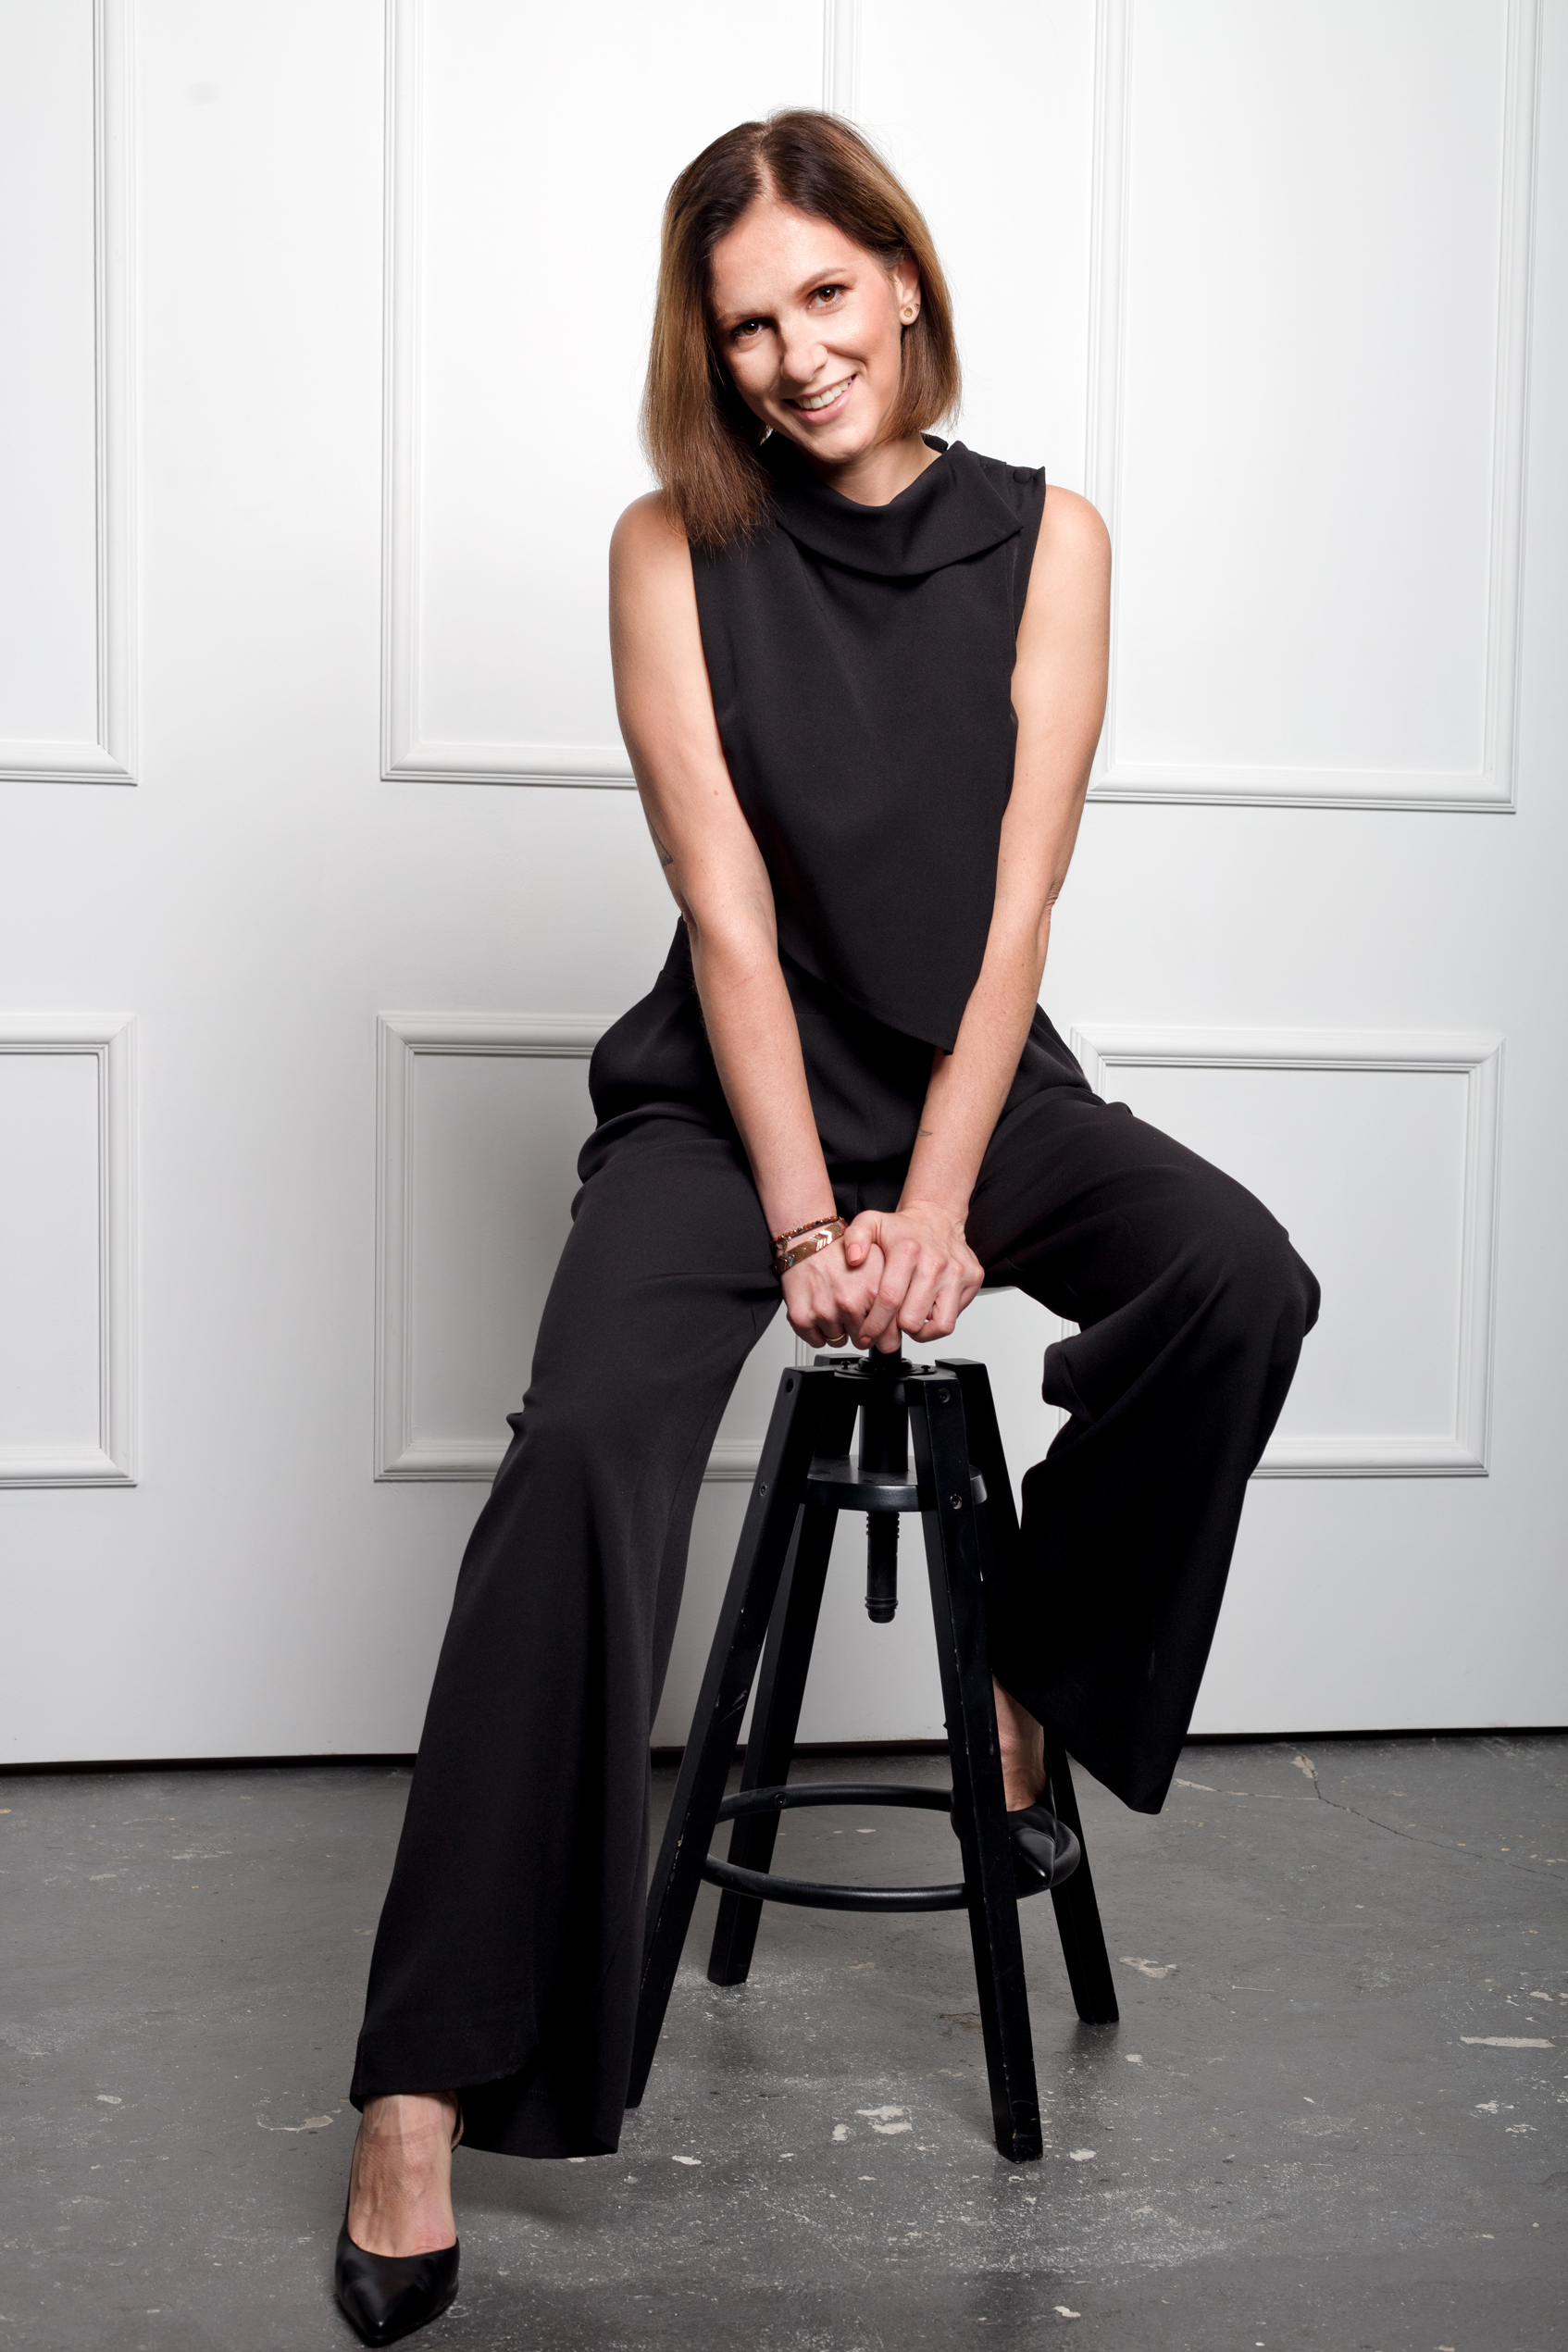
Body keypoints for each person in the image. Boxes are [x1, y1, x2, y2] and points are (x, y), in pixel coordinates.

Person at [332, 109, 1319, 2345]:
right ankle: (418, 2080)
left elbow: (1017, 906)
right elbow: (727, 916)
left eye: (823, 294)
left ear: (903, 276)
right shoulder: (666, 547)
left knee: (1235, 1276)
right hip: (730, 1103)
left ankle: (1031, 1670)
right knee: (580, 1452)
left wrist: (941, 1196)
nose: (793, 354)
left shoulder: (1050, 537)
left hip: (974, 1079)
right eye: (744, 323)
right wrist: (807, 1223)